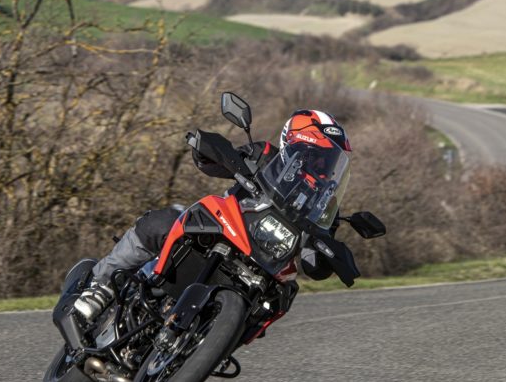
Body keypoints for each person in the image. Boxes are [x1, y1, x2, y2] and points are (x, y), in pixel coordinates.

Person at [73, 109, 352, 321]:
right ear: (292, 143)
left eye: (328, 161)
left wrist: (327, 255)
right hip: (224, 230)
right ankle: (101, 284)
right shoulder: (265, 155)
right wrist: (212, 153)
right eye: (315, 156)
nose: (321, 165)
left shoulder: (325, 204)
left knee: (279, 296)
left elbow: (313, 262)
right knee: (165, 221)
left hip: (264, 261)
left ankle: (212, 341)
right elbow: (215, 162)